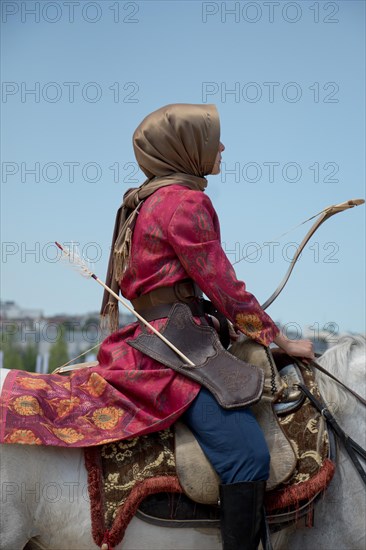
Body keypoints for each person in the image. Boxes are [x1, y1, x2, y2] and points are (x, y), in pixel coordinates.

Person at [1, 103, 314, 550]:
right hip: (181, 348)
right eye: (212, 139)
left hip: (153, 339)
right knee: (247, 454)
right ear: (184, 148)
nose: (221, 147)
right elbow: (224, 286)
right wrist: (280, 339)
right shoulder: (186, 201)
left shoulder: (142, 202)